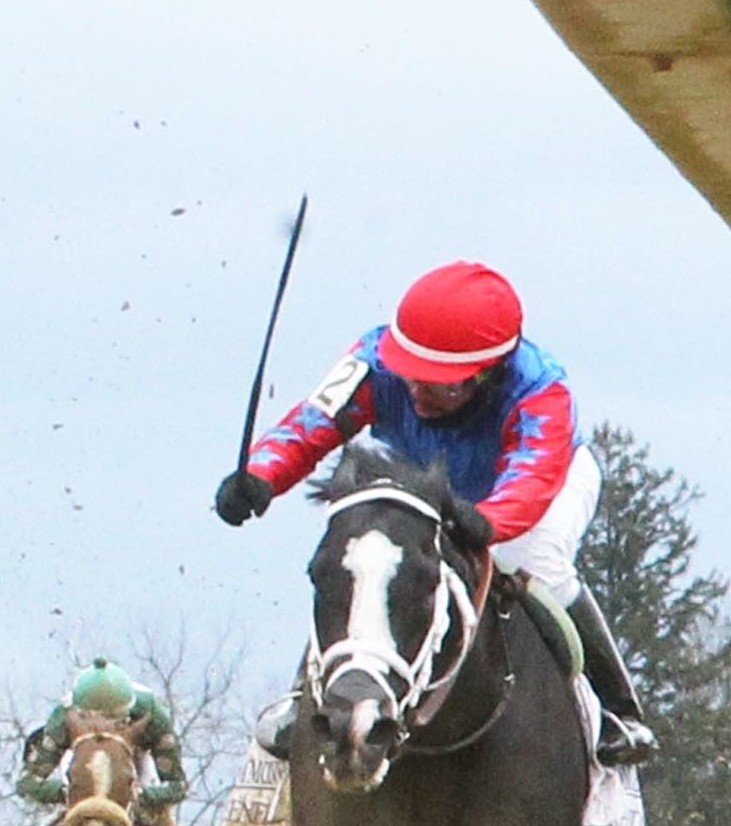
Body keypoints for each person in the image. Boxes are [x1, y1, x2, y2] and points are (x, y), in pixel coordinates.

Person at [217, 260, 654, 764]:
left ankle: (620, 707)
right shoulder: (370, 359)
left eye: (437, 383)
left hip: (534, 486)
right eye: (408, 376)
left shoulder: (541, 390)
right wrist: (259, 477)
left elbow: (532, 477)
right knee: (363, 554)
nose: (415, 391)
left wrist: (489, 521)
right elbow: (314, 422)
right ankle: (306, 696)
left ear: (487, 375)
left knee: (534, 559)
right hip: (425, 478)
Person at [16, 657, 195, 826]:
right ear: (80, 714)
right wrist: (67, 793)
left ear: (128, 714)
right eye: (92, 721)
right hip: (84, 788)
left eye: (114, 722)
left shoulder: (152, 714)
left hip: (134, 784)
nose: (103, 728)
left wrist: (141, 796)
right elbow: (27, 782)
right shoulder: (63, 717)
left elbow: (177, 785)